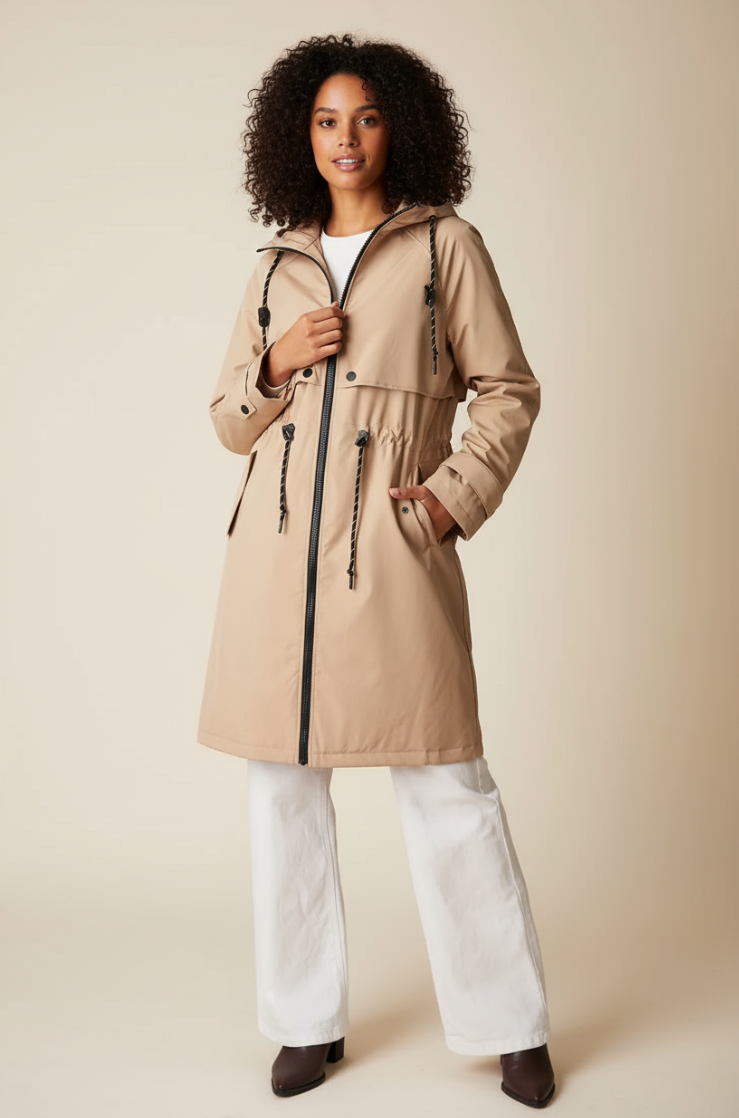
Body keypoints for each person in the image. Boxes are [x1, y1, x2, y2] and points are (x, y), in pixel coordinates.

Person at [198, 33, 556, 1108]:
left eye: (363, 117)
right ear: (296, 137)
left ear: (399, 126)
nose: (344, 138)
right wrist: (275, 363)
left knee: (448, 785)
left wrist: (450, 496)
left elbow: (508, 389)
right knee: (282, 793)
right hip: (275, 568)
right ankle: (302, 1023)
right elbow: (228, 418)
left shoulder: (445, 245)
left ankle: (510, 1026)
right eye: (324, 120)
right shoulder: (275, 265)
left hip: (388, 554)